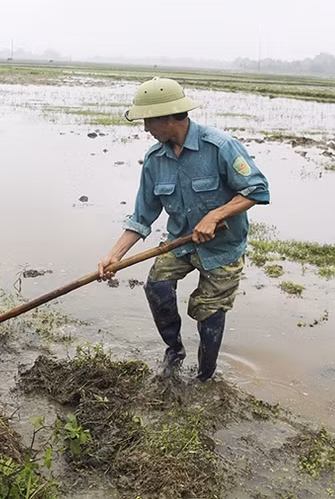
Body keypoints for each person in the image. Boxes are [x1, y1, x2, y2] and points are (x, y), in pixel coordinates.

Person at [97, 77, 270, 381]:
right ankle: (174, 350)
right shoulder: (154, 160)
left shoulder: (220, 147)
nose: (146, 128)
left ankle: (205, 375)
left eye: (149, 121)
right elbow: (141, 217)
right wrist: (113, 255)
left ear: (168, 117)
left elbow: (257, 189)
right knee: (157, 285)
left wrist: (216, 214)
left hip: (222, 249)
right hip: (180, 244)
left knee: (209, 312)